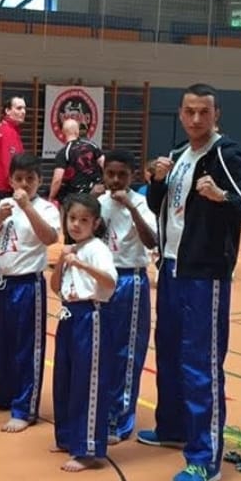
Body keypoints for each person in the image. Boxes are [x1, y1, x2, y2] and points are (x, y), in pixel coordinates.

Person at [140, 83, 241, 481]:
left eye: (203, 112)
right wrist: (157, 182)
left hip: (205, 274)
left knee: (200, 364)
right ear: (180, 113)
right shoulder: (177, 155)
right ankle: (174, 427)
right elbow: (162, 207)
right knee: (170, 353)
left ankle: (204, 458)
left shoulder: (227, 154)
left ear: (216, 115)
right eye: (189, 111)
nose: (195, 119)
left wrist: (222, 196)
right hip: (171, 265)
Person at [0, 152, 61, 433]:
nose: (24, 184)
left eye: (30, 179)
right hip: (1, 284)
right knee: (1, 343)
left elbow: (50, 238)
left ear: (40, 180)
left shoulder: (46, 208)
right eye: (19, 178)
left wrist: (27, 207)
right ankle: (6, 395)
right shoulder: (3, 205)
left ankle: (25, 408)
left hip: (27, 286)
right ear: (10, 180)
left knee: (27, 346)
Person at [50, 193, 117, 472]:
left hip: (91, 316)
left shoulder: (97, 249)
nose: (76, 224)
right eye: (72, 218)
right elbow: (56, 286)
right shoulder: (72, 248)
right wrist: (62, 262)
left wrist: (81, 264)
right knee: (65, 379)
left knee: (87, 382)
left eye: (84, 220)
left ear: (95, 223)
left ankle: (88, 448)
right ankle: (68, 437)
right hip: (68, 315)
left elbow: (110, 282)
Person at [98, 150, 157, 443]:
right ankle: (99, 412)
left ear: (132, 176)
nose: (116, 180)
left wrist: (131, 208)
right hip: (100, 279)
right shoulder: (98, 203)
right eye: (111, 174)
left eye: (122, 174)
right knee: (101, 349)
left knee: (127, 352)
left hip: (129, 280)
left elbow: (151, 240)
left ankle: (120, 420)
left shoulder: (142, 203)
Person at [48, 118, 104, 203]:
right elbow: (104, 165)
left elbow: (57, 179)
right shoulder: (93, 146)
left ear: (63, 132)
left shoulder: (64, 152)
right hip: (96, 192)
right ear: (77, 131)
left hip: (76, 196)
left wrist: (51, 197)